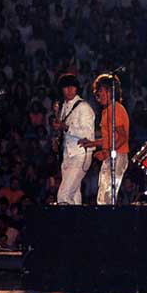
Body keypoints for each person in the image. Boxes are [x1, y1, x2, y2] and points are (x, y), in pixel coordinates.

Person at [79, 74, 130, 205]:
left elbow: (123, 137)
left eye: (100, 91)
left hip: (117, 156)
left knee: (107, 198)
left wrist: (108, 152)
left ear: (109, 91)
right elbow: (111, 138)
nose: (97, 95)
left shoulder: (115, 109)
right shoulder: (107, 111)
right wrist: (92, 143)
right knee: (103, 196)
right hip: (113, 155)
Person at [53, 73, 95, 205]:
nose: (70, 90)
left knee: (63, 196)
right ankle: (78, 224)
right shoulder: (63, 107)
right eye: (66, 87)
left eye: (73, 87)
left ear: (77, 88)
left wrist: (66, 127)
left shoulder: (84, 107)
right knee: (75, 195)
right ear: (61, 89)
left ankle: (65, 224)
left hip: (80, 154)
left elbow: (88, 134)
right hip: (67, 154)